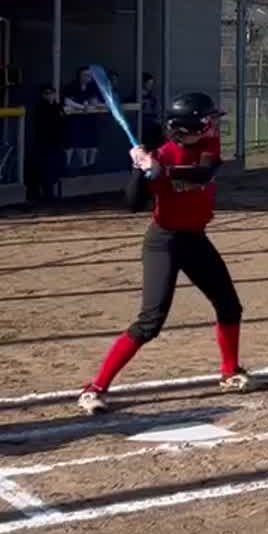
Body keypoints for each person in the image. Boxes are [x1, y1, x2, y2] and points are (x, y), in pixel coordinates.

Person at [77, 92, 249, 415]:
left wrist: (163, 172)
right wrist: (139, 169)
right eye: (207, 122)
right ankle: (95, 388)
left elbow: (204, 174)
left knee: (229, 305)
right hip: (164, 242)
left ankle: (230, 372)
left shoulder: (206, 148)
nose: (213, 127)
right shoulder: (161, 154)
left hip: (195, 239)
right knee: (150, 322)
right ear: (189, 127)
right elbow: (131, 204)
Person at [25, 84, 67, 204]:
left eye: (51, 93)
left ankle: (50, 192)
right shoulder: (40, 108)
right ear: (43, 95)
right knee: (44, 168)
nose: (49, 96)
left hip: (57, 142)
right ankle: (43, 193)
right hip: (44, 143)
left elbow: (62, 123)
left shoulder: (58, 107)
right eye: (47, 93)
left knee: (55, 167)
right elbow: (42, 126)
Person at [62, 67, 103, 171]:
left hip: (89, 121)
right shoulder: (71, 87)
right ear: (79, 76)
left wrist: (94, 104)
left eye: (89, 75)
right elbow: (67, 101)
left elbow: (95, 101)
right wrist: (81, 106)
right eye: (85, 75)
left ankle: (90, 166)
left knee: (91, 143)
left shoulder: (92, 88)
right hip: (74, 121)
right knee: (74, 144)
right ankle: (72, 167)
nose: (87, 77)